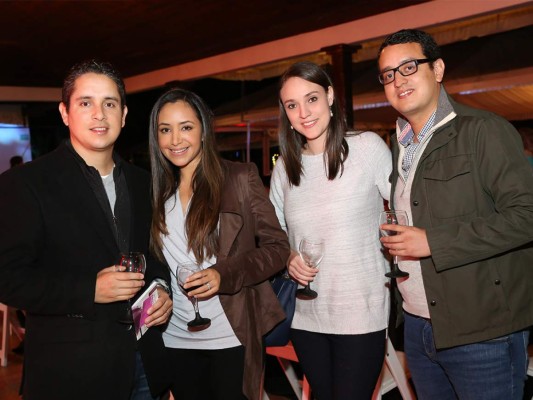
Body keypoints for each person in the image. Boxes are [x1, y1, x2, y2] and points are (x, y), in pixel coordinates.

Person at [0, 60, 173, 400]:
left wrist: (162, 290)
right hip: (70, 373)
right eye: (85, 103)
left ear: (123, 115)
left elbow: (156, 254)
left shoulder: (145, 183)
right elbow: (7, 278)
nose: (99, 114)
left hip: (144, 366)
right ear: (65, 112)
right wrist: (88, 289)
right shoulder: (25, 184)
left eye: (109, 103)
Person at [377, 29, 533, 400]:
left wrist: (433, 241)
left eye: (409, 67)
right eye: (387, 74)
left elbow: (527, 215)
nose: (398, 80)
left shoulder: (483, 131)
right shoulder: (400, 146)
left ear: (439, 69)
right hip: (418, 325)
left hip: (482, 329)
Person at [147, 87, 290, 400]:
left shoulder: (239, 178)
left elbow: (278, 248)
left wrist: (224, 273)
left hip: (230, 334)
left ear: (202, 131)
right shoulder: (156, 193)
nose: (175, 140)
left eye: (186, 127)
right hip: (175, 337)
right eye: (165, 130)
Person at [269, 61, 392, 400]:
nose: (304, 113)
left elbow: (404, 207)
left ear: (331, 96)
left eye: (311, 99)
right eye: (292, 105)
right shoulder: (286, 169)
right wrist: (288, 257)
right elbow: (273, 233)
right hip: (307, 314)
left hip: (360, 310)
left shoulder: (366, 148)